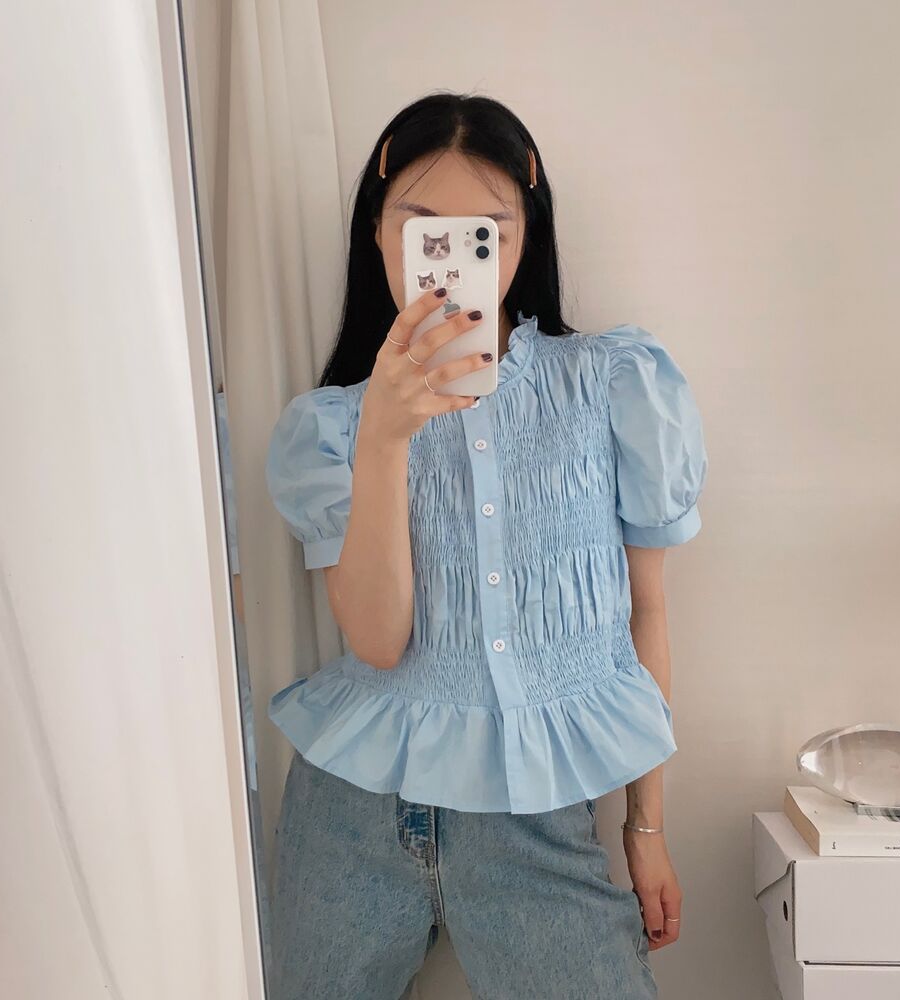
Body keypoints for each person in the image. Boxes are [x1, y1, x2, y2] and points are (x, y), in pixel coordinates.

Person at [264, 92, 707, 999]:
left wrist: (646, 827)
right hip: (352, 817)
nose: (450, 260)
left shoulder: (611, 384)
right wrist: (385, 437)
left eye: (484, 234)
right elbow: (377, 640)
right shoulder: (332, 427)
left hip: (535, 821)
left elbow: (647, 614)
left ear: (524, 237)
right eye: (420, 227)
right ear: (377, 232)